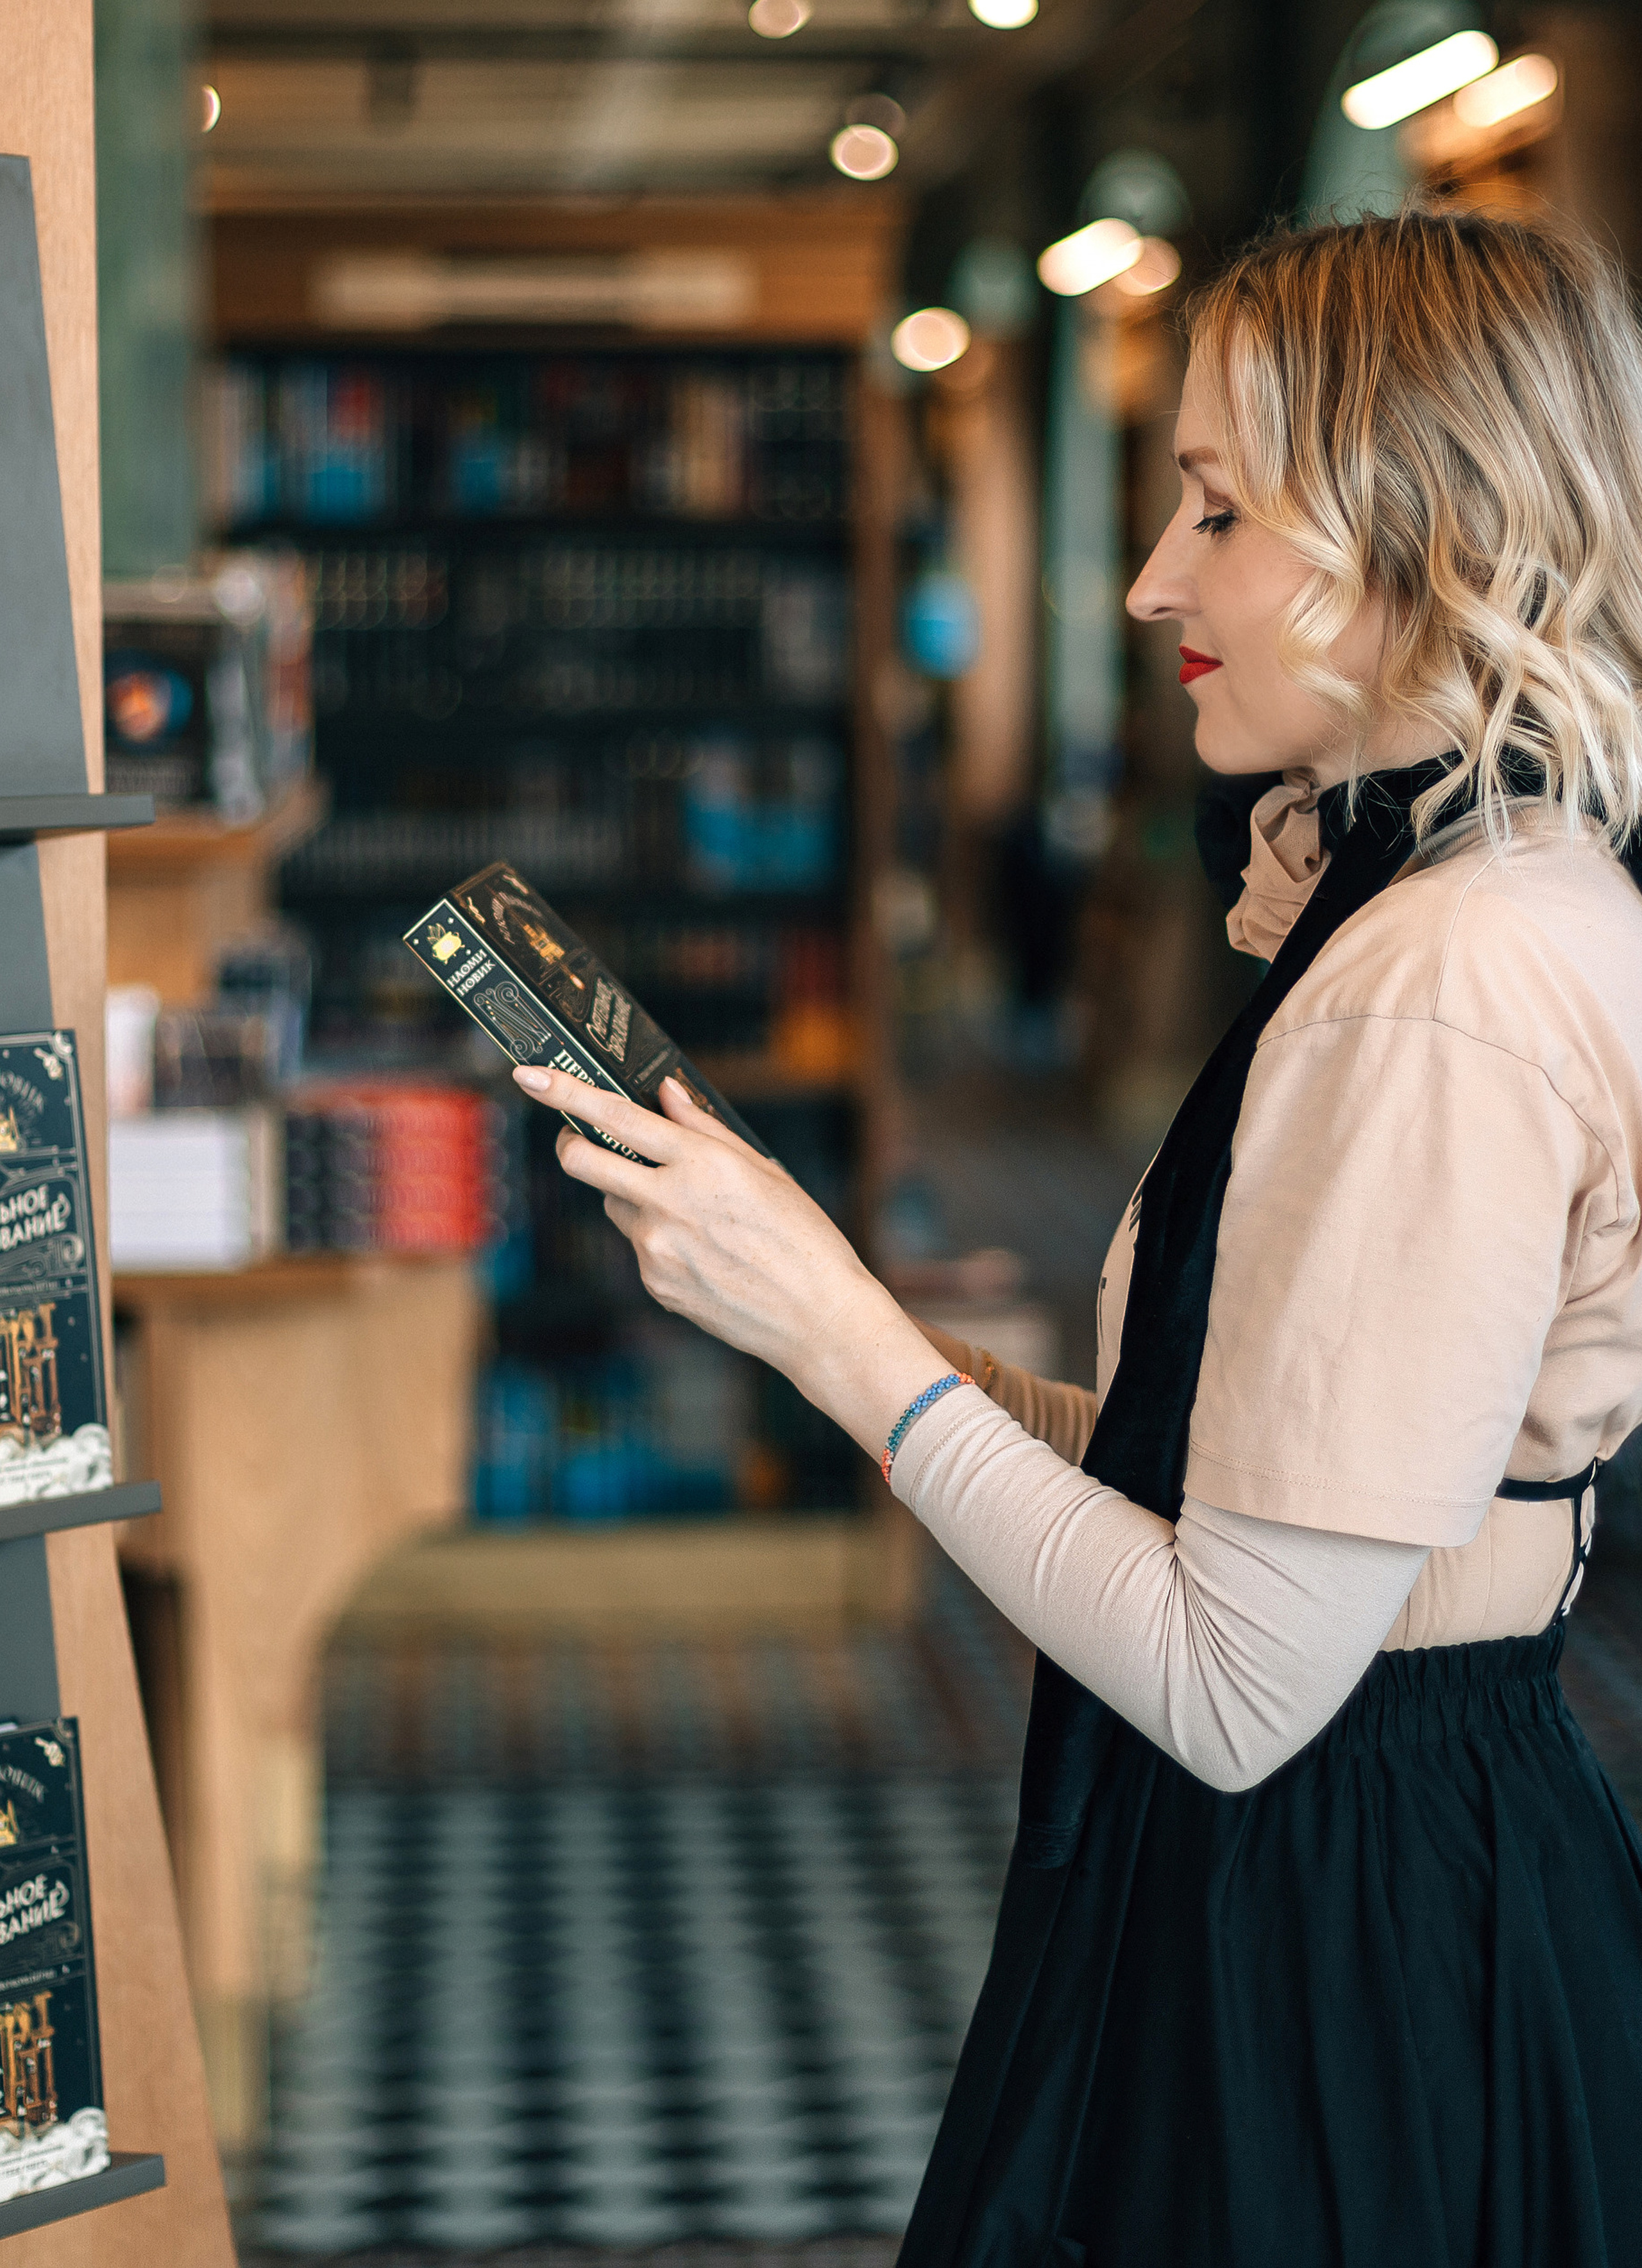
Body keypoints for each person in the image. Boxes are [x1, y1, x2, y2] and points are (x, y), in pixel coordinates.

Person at [514, 208, 1642, 2266]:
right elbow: (1230, 1489)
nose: (1149, 580)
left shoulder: (1441, 983)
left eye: (1216, 509)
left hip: (1331, 1946)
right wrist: (827, 1319)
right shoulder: (1457, 914)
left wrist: (856, 1343)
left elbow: (1233, 1676)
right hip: (1361, 1882)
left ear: (1421, 527)